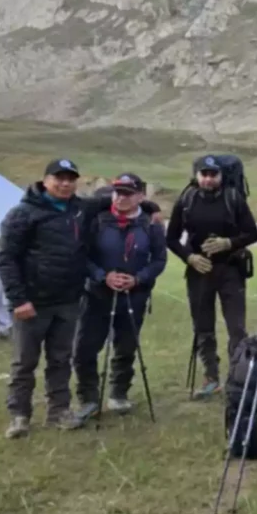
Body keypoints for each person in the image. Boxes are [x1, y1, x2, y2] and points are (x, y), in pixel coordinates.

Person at [0, 159, 161, 439]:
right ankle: (20, 415)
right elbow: (5, 259)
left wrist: (150, 207)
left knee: (61, 359)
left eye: (70, 179)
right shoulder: (22, 214)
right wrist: (18, 299)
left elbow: (121, 198)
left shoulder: (81, 207)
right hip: (33, 301)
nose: (65, 184)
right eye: (58, 178)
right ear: (45, 180)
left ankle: (59, 411)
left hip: (69, 299)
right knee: (25, 362)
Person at [72, 173, 167, 420]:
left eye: (127, 193)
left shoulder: (151, 224)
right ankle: (88, 398)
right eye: (117, 192)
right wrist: (103, 276)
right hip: (96, 294)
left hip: (134, 296)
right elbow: (82, 256)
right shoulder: (96, 220)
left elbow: (159, 260)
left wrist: (138, 278)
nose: (120, 197)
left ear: (140, 196)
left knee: (126, 347)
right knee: (85, 348)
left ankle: (119, 393)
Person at [165, 155, 257, 399]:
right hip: (199, 270)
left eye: (213, 175)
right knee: (202, 326)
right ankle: (211, 377)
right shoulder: (186, 199)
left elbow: (252, 233)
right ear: (197, 175)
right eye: (204, 174)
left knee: (236, 328)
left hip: (231, 270)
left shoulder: (233, 197)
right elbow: (171, 238)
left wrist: (229, 243)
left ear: (221, 176)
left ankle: (238, 377)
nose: (208, 179)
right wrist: (189, 257)